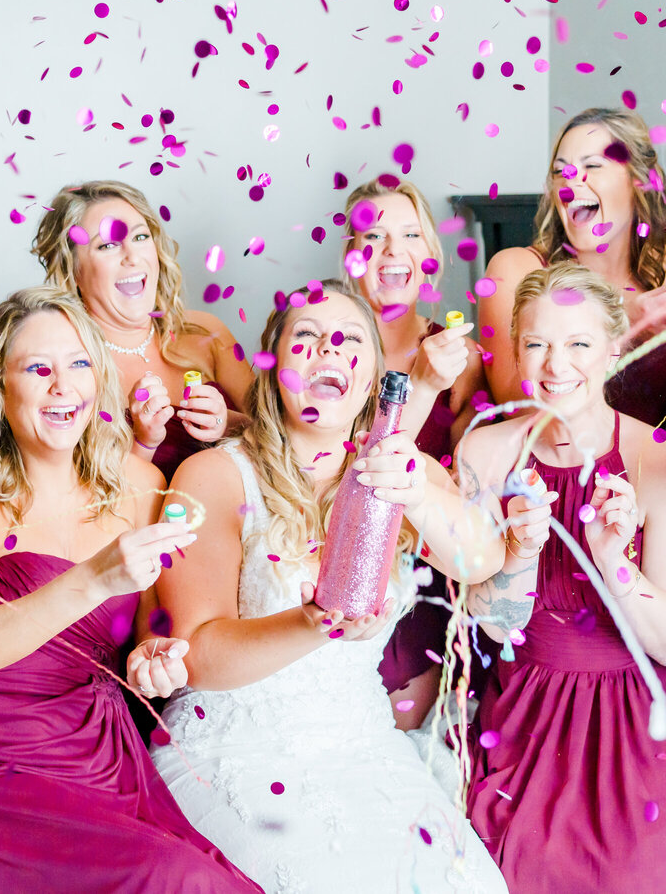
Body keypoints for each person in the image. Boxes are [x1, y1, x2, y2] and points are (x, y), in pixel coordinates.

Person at [150, 278, 507, 891]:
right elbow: (200, 655)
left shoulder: (397, 469)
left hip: (362, 743)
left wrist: (418, 493)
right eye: (306, 338)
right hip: (233, 748)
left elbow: (481, 560)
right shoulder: (214, 474)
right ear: (273, 368)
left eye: (349, 343)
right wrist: (315, 622)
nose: (328, 351)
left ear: (371, 380)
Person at [0, 287, 259, 892]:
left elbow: (149, 640)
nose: (61, 386)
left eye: (78, 365)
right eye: (38, 369)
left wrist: (156, 662)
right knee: (175, 879)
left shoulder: (144, 485)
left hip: (101, 753)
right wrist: (94, 578)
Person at [462, 263, 666, 891]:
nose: (556, 365)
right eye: (537, 344)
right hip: (525, 714)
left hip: (642, 721)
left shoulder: (663, 458)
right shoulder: (485, 454)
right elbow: (492, 627)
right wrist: (520, 553)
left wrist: (614, 562)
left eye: (578, 343)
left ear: (613, 349)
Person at [478, 107, 666, 430]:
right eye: (561, 172)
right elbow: (514, 409)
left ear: (638, 182)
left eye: (592, 166)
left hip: (655, 469)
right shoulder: (516, 269)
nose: (569, 183)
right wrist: (624, 323)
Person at [341, 177, 481, 730]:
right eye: (373, 237)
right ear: (352, 259)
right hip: (338, 562)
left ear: (430, 256)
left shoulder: (463, 358)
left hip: (424, 578)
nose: (393, 251)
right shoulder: (327, 344)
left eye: (409, 235)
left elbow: (468, 481)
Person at [32, 181, 251, 479]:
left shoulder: (205, 332)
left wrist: (227, 423)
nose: (132, 257)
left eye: (140, 236)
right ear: (74, 269)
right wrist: (141, 443)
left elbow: (282, 433)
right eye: (107, 244)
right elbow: (77, 499)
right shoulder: (64, 367)